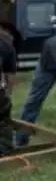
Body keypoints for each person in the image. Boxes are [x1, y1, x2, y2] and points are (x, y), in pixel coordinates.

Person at [0, 23, 18, 156]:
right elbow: (10, 76)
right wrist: (7, 97)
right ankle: (4, 151)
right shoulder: (7, 43)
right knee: (3, 120)